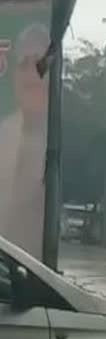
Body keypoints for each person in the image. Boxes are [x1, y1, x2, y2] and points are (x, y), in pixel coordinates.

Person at [0, 24, 50, 259]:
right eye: (23, 65)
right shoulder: (3, 135)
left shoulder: (60, 140)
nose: (30, 74)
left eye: (38, 64)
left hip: (36, 275)